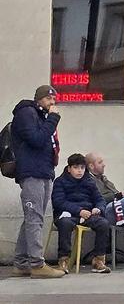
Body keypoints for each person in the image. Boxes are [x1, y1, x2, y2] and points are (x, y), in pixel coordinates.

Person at [10, 85, 66, 278]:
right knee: (34, 219)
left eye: (54, 100)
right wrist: (53, 119)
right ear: (39, 99)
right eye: (49, 99)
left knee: (32, 219)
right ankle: (37, 263)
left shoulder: (40, 116)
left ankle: (21, 263)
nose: (52, 104)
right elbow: (36, 139)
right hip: (32, 172)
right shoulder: (26, 113)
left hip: (43, 171)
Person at [51, 153, 112, 273]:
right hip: (67, 214)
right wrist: (79, 211)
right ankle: (64, 260)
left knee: (103, 224)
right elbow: (59, 202)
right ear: (69, 169)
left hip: (88, 215)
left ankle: (98, 260)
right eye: (76, 167)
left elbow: (99, 199)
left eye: (82, 168)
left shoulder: (89, 181)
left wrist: (98, 208)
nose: (79, 171)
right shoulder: (60, 181)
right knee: (65, 224)